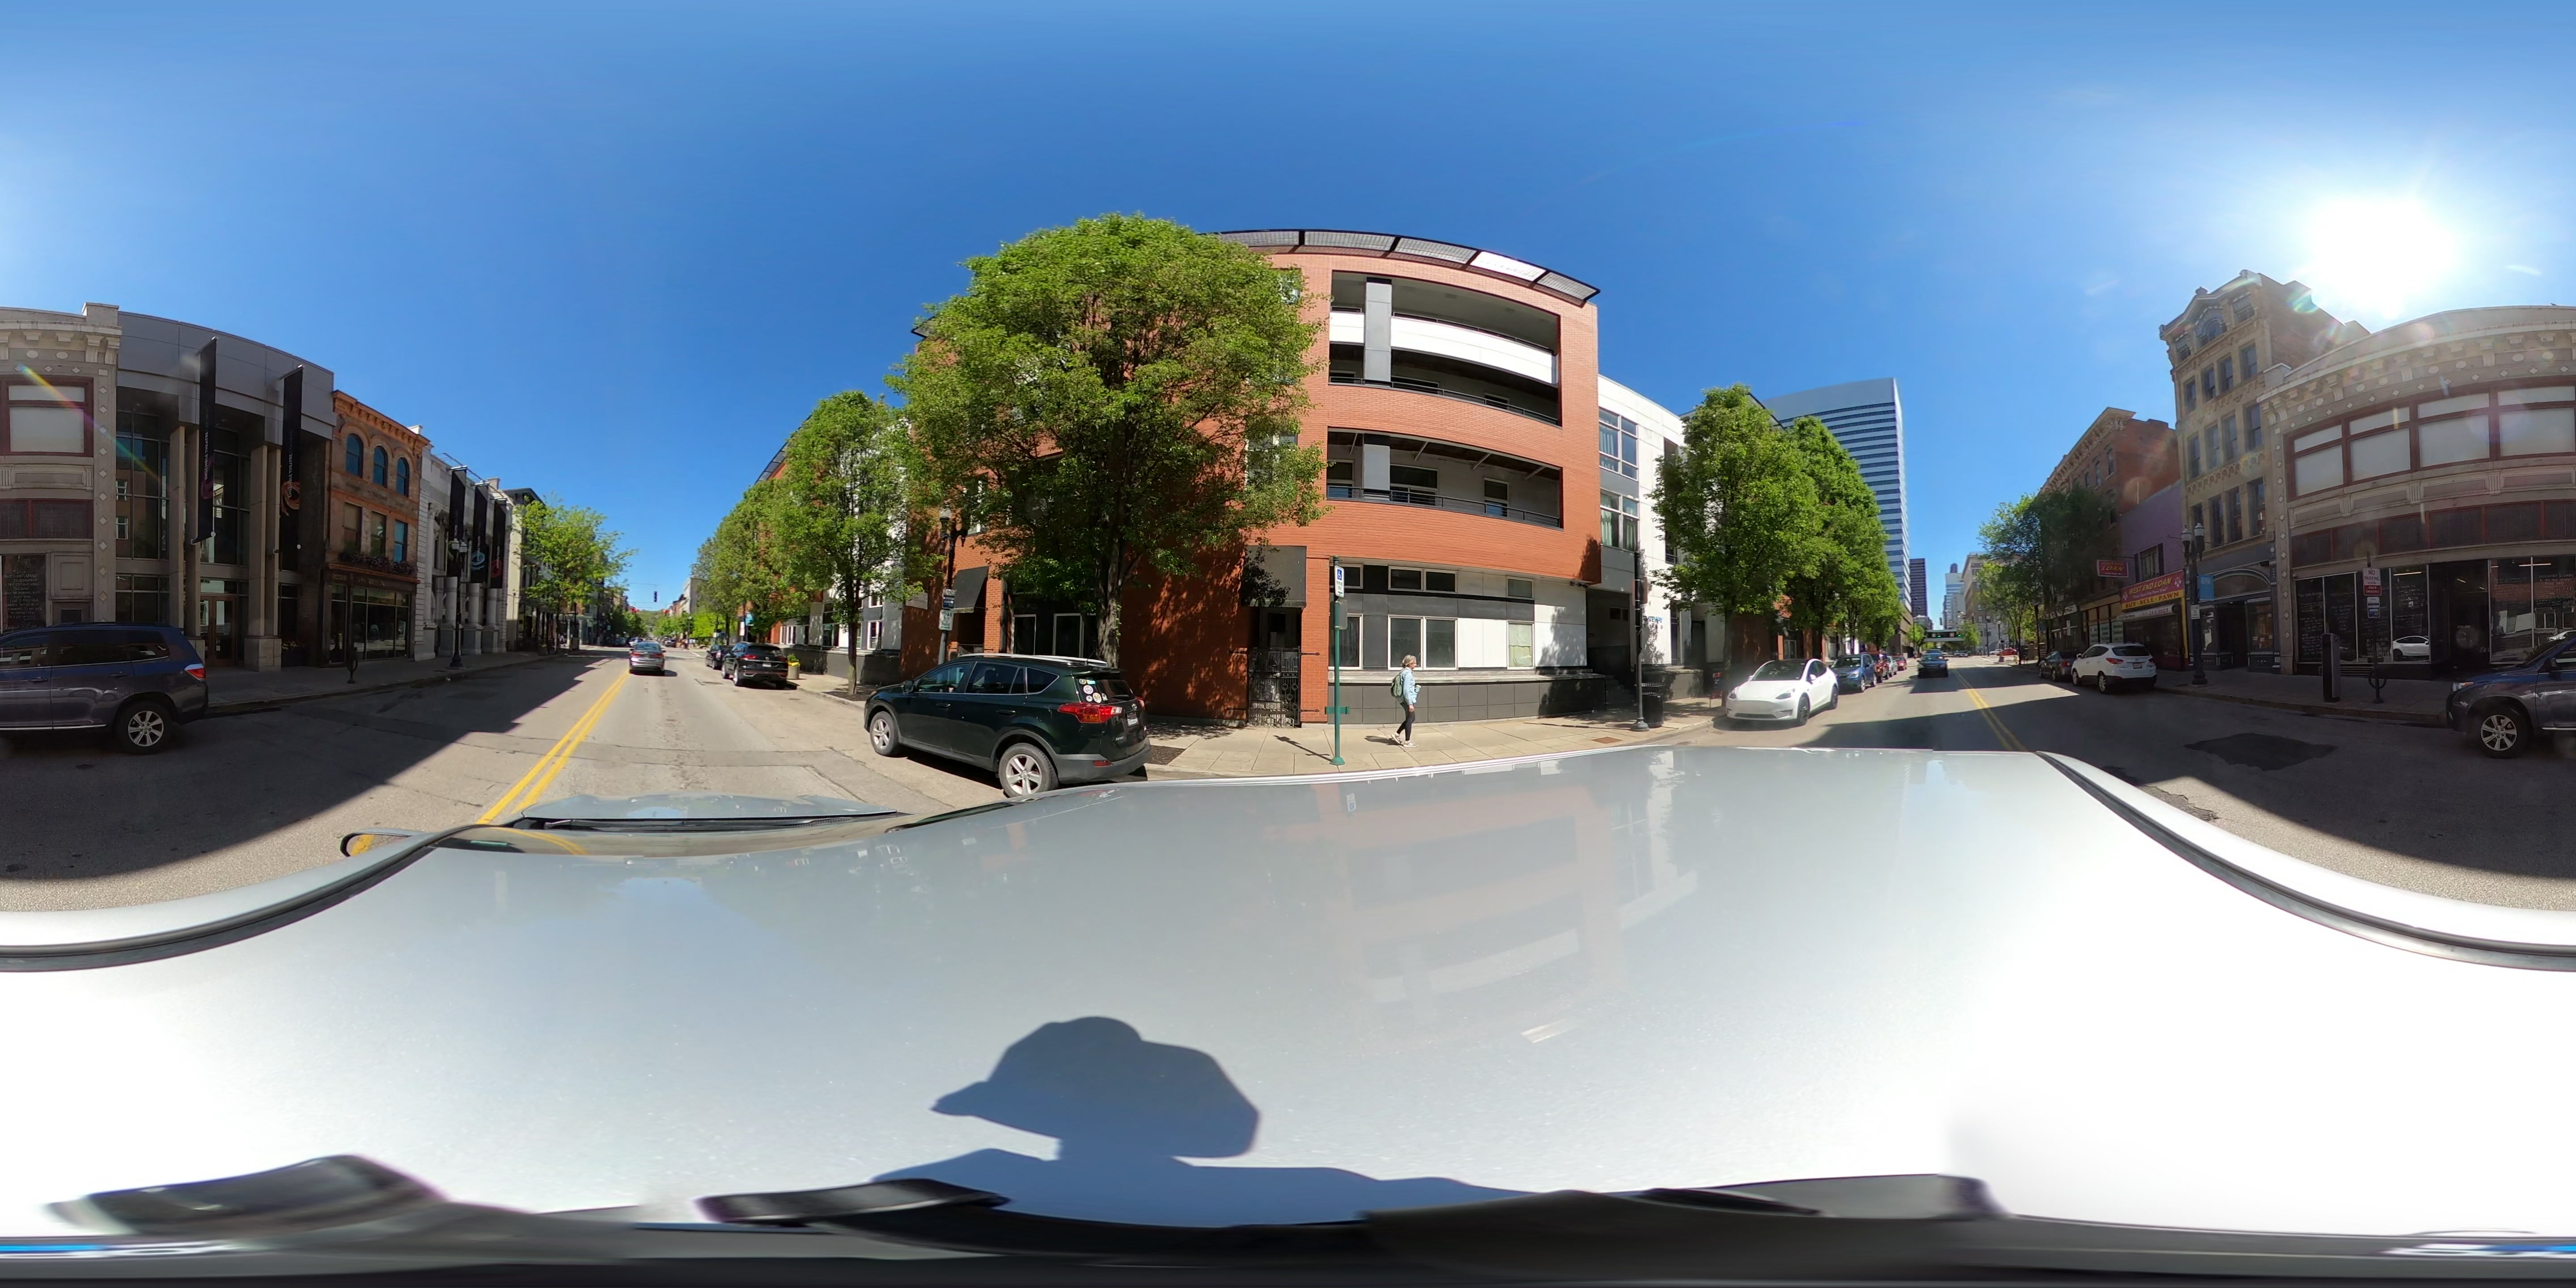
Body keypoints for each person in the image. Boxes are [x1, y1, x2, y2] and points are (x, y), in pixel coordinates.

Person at [1392, 653, 1419, 747]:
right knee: (1410, 719)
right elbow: (1406, 690)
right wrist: (1410, 704)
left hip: (1404, 699)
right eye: (1414, 663)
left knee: (1411, 718)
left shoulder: (1403, 672)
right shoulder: (1408, 674)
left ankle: (1397, 734)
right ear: (1410, 664)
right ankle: (1407, 741)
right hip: (1407, 700)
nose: (1416, 665)